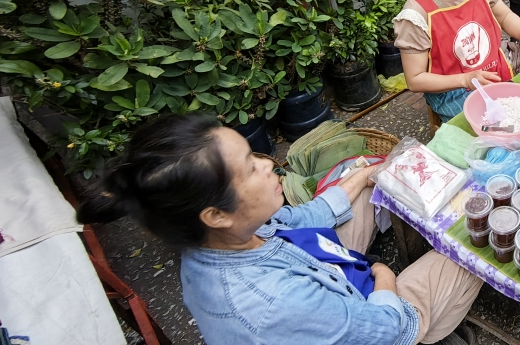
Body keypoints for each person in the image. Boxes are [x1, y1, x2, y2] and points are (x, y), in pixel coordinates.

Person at [77, 115, 483, 344]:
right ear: (216, 214)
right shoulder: (275, 305)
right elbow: (392, 329)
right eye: (250, 168)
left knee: (356, 182)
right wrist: (384, 275)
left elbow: (302, 219)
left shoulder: (225, 234)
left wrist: (367, 175)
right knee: (473, 247)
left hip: (328, 279)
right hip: (382, 324)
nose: (269, 162)